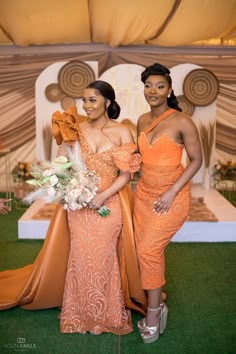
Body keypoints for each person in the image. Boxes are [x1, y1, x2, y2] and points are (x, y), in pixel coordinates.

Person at [0, 81, 146, 334]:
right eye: (84, 100)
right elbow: (63, 165)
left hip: (109, 204)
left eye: (92, 100)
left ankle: (107, 313)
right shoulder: (74, 130)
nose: (86, 105)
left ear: (107, 103)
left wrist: (102, 196)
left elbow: (126, 175)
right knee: (81, 257)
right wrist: (70, 188)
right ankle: (79, 312)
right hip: (78, 206)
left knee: (106, 256)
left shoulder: (122, 131)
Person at [133, 63, 202, 344]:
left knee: (149, 250)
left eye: (160, 86)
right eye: (149, 85)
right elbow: (140, 161)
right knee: (141, 250)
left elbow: (197, 160)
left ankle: (153, 311)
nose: (153, 91)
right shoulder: (140, 120)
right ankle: (156, 295)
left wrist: (172, 191)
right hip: (143, 193)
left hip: (171, 195)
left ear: (170, 90)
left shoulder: (183, 121)